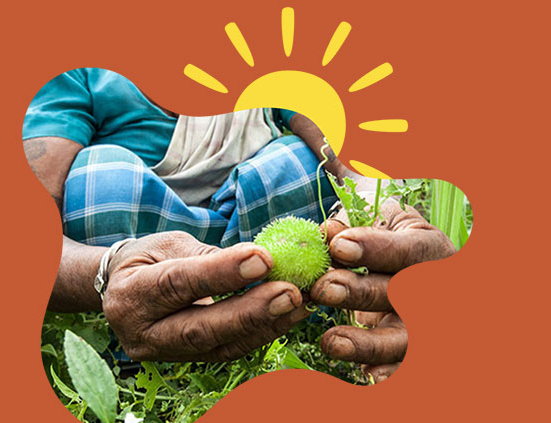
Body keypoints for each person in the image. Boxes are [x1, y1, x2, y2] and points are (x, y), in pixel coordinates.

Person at [24, 68, 454, 382]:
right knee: (100, 178)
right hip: (143, 264)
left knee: (304, 163)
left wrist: (379, 216)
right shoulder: (80, 75)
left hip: (274, 275)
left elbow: (354, 164)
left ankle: (304, 317)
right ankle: (134, 360)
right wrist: (107, 271)